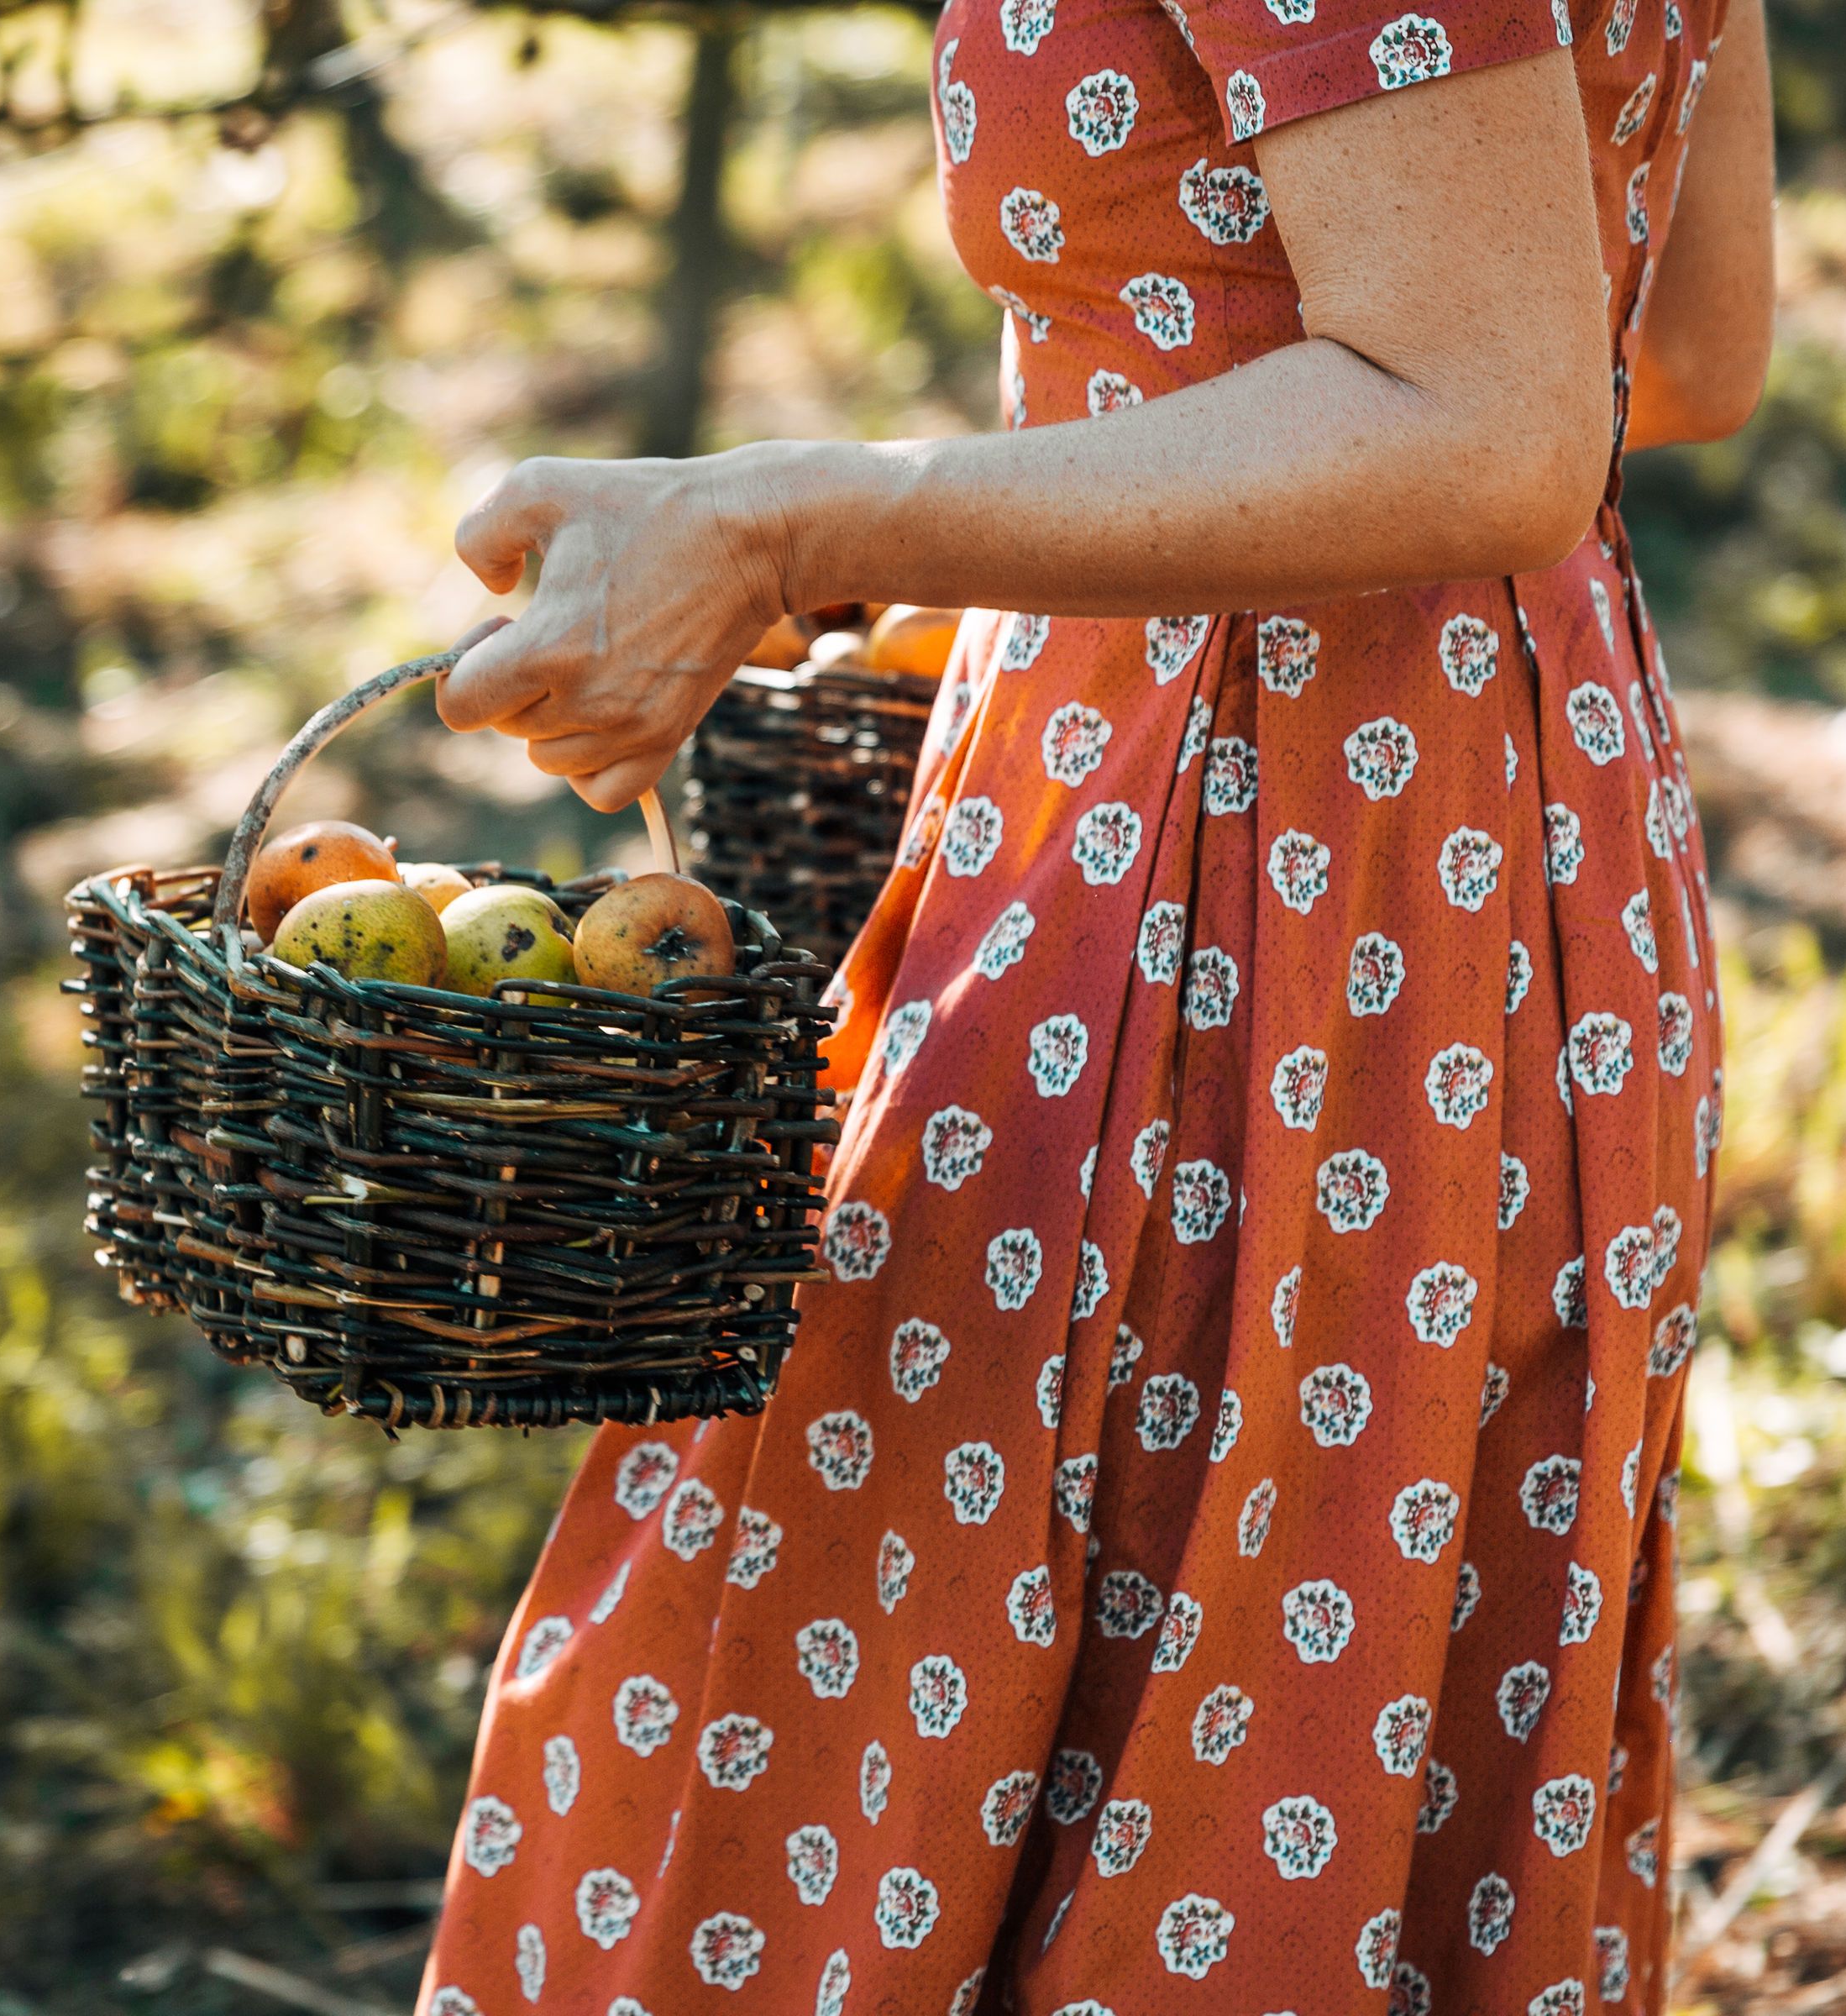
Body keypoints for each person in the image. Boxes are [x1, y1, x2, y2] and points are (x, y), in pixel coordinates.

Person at [416, 0, 1774, 2008]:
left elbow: (1491, 421)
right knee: (1263, 1699)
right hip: (1493, 847)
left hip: (1260, 893)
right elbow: (1671, 350)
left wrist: (804, 519)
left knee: (928, 1690)